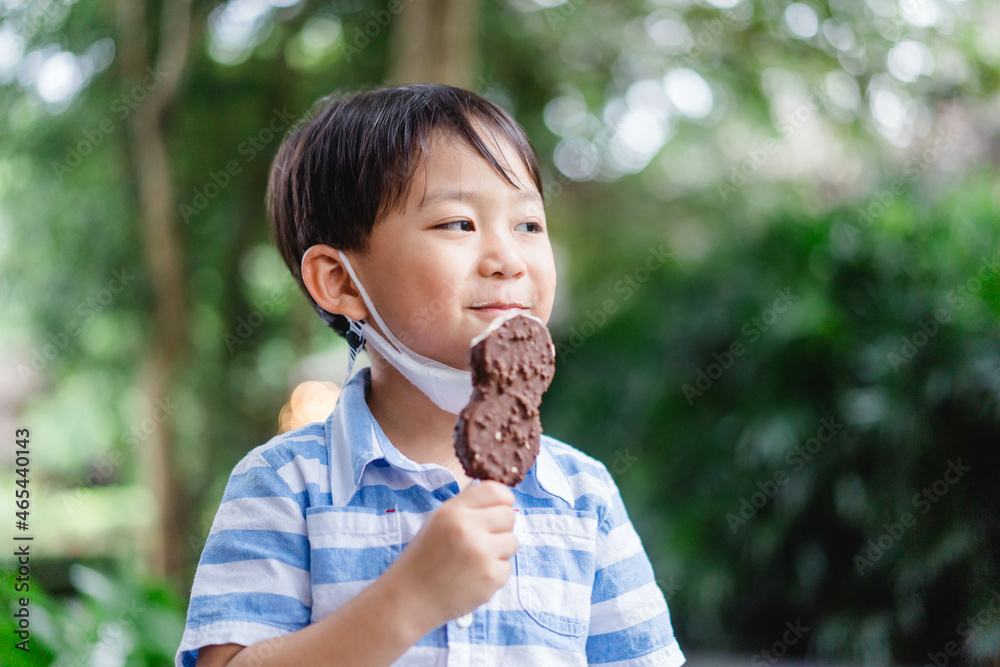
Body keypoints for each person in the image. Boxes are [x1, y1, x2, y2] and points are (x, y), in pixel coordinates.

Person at [176, 83, 684, 667]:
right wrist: (408, 600)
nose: (507, 258)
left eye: (528, 225)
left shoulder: (582, 497)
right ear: (340, 282)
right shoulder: (285, 485)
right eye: (458, 224)